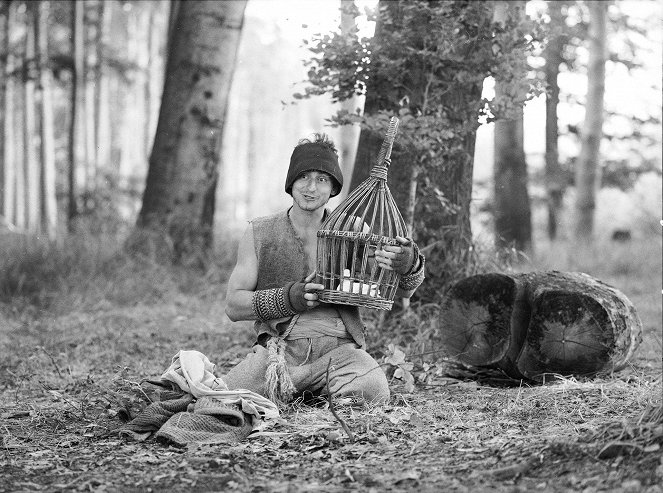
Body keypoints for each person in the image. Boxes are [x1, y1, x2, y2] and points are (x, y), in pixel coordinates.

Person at [223, 134, 425, 406]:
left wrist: (407, 265)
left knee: (374, 388)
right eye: (304, 176)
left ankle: (311, 394)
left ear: (332, 188)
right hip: (280, 353)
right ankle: (304, 392)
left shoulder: (353, 231)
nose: (311, 187)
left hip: (340, 353)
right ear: (291, 182)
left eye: (322, 179)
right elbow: (234, 306)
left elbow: (401, 292)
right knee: (227, 396)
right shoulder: (260, 232)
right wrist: (287, 298)